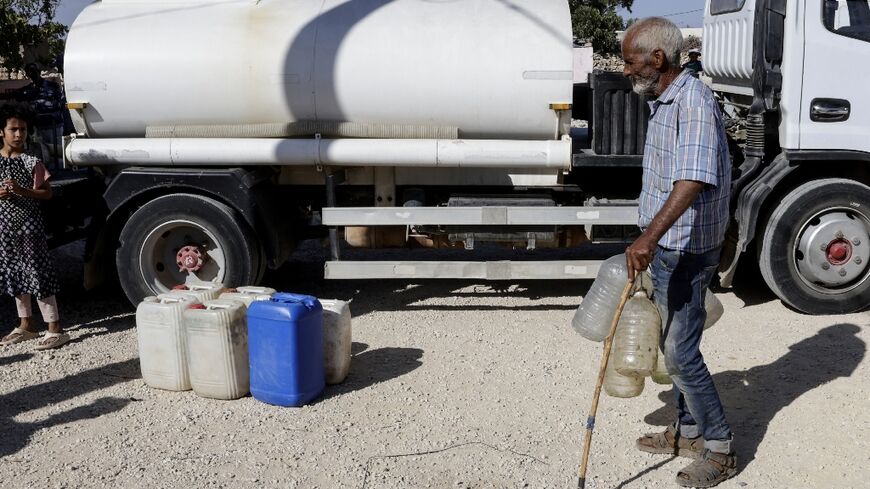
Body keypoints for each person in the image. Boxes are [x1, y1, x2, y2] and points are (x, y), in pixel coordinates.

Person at [621, 18, 735, 488]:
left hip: (684, 248)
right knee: (677, 343)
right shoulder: (665, 99)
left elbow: (692, 179)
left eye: (630, 61)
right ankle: (688, 431)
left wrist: (648, 238)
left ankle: (721, 447)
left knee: (680, 353)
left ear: (658, 59)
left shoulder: (692, 101)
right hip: (670, 246)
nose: (625, 70)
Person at [0, 102, 68, 350]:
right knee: (15, 274)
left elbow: (47, 193)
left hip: (30, 228)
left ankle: (55, 328)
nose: (19, 135)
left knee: (38, 273)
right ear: (2, 132)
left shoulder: (31, 161)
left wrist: (21, 191)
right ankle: (26, 325)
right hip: (5, 230)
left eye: (23, 130)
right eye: (14, 129)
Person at [13, 63, 66, 166]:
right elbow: (18, 97)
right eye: (29, 72)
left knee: (57, 150)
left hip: (54, 125)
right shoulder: (27, 90)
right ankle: (46, 171)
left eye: (34, 71)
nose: (32, 74)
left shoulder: (52, 86)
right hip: (38, 127)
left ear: (38, 71)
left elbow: (61, 103)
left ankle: (61, 169)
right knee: (41, 150)